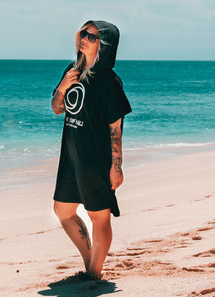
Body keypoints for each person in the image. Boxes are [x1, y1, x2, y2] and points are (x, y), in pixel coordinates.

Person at [51, 20, 132, 282]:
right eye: (84, 34)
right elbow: (57, 108)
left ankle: (95, 273)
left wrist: (116, 167)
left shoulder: (108, 80)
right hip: (71, 156)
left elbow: (115, 127)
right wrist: (63, 88)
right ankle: (90, 262)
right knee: (62, 210)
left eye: (93, 37)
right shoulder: (72, 70)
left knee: (99, 216)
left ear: (105, 45)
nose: (85, 38)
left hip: (96, 158)